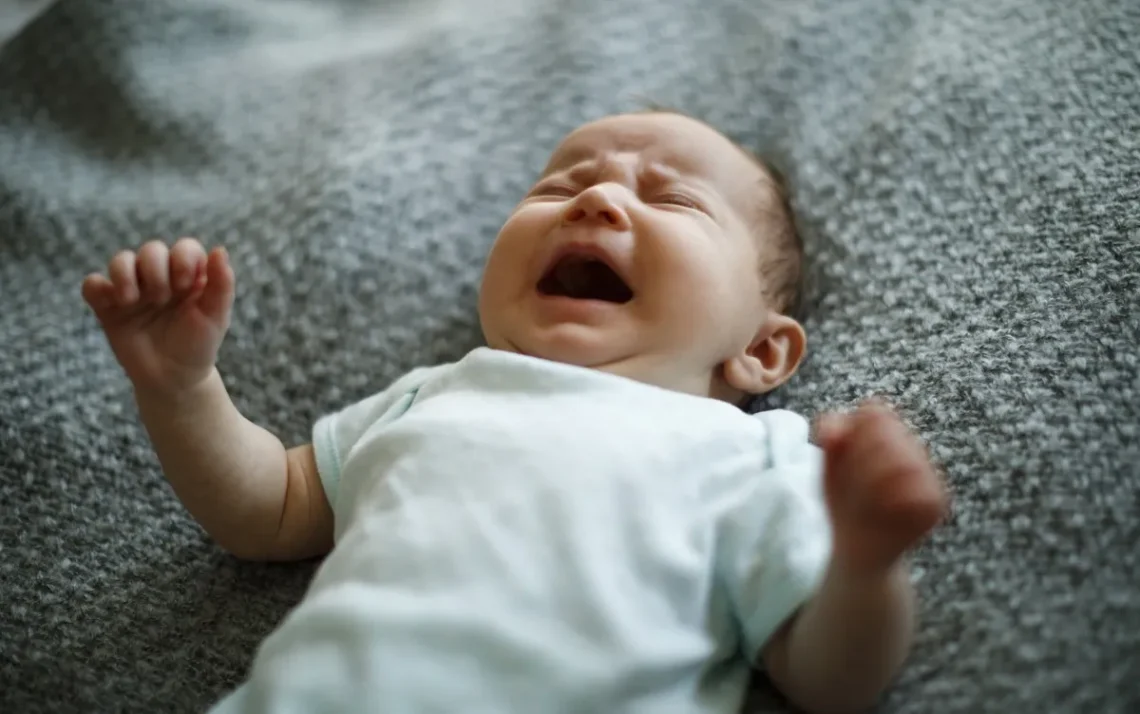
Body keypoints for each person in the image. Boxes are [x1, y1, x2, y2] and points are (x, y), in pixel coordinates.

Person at [81, 111, 948, 714]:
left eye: (674, 199)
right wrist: (184, 389)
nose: (596, 201)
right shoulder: (439, 392)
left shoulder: (749, 457)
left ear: (761, 351)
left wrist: (864, 567)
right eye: (557, 186)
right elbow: (264, 508)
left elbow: (828, 679)